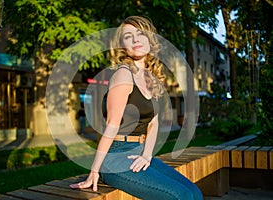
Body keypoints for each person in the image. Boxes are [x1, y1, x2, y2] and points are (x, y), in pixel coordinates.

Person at [69, 16, 203, 200]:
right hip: (116, 158)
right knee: (182, 196)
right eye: (128, 36)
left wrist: (147, 155)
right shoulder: (123, 75)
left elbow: (153, 123)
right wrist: (94, 170)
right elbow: (112, 124)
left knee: (194, 192)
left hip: (139, 153)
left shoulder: (151, 78)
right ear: (123, 45)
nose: (135, 40)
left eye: (140, 33)